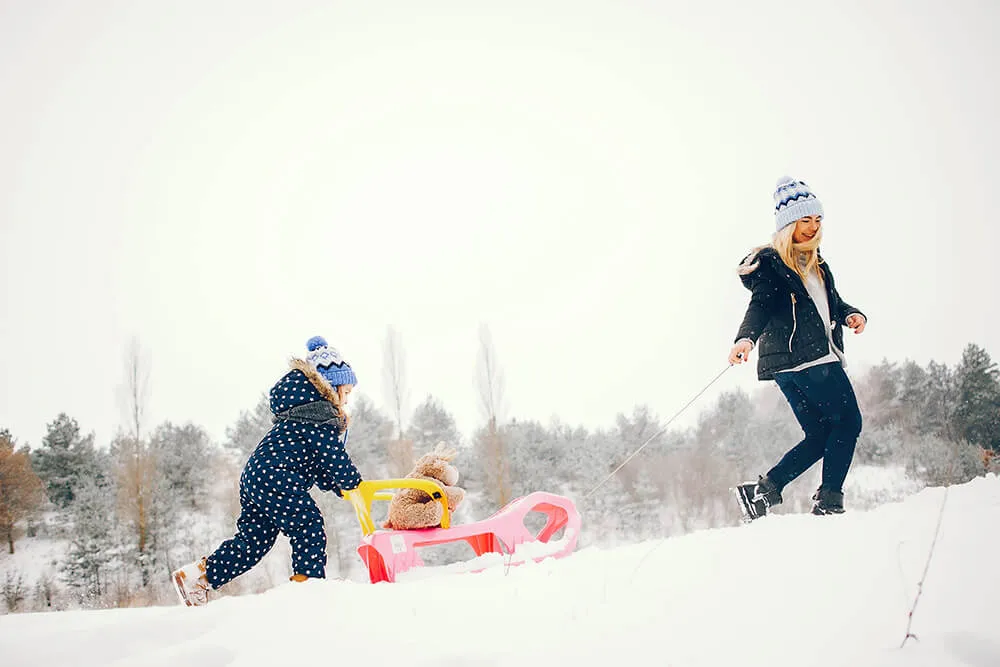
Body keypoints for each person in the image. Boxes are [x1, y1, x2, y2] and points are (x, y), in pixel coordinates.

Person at [171, 336, 363, 606]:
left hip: (256, 477)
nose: (347, 401)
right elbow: (333, 458)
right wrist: (354, 484)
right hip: (278, 477)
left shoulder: (302, 414)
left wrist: (339, 488)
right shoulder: (320, 416)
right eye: (346, 393)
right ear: (331, 387)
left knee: (254, 541)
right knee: (308, 524)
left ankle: (199, 576)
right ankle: (309, 586)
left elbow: (320, 466)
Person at [729, 176, 866, 521]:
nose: (813, 227)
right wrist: (745, 339)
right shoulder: (774, 265)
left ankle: (762, 492)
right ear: (788, 225)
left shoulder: (817, 264)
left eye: (817, 219)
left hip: (789, 367)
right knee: (848, 423)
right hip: (809, 360)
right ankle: (830, 499)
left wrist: (850, 314)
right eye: (805, 220)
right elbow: (760, 305)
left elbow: (830, 304)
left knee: (820, 434)